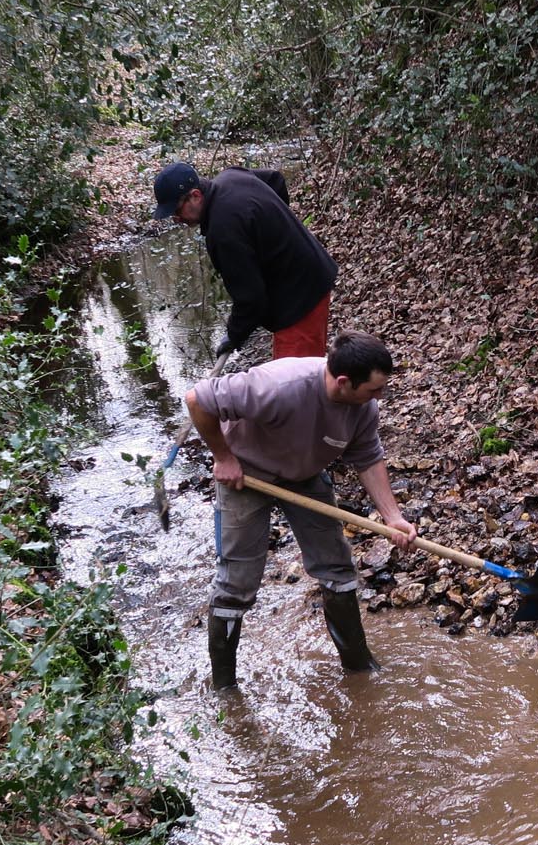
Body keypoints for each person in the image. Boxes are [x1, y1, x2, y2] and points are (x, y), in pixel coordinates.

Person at [183, 333, 417, 688]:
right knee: (237, 583)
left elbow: (368, 458)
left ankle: (359, 669)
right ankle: (225, 688)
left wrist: (393, 517)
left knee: (337, 568)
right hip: (245, 475)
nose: (379, 397)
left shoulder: (363, 407)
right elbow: (198, 399)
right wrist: (223, 457)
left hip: (304, 475)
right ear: (343, 382)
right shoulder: (279, 386)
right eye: (373, 389)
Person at [153, 161, 338, 359]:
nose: (176, 219)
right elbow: (275, 179)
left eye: (177, 211)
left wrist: (233, 335)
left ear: (196, 196)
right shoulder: (230, 176)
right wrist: (271, 231)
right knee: (299, 376)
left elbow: (251, 299)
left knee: (296, 384)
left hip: (300, 301)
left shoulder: (223, 230)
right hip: (312, 274)